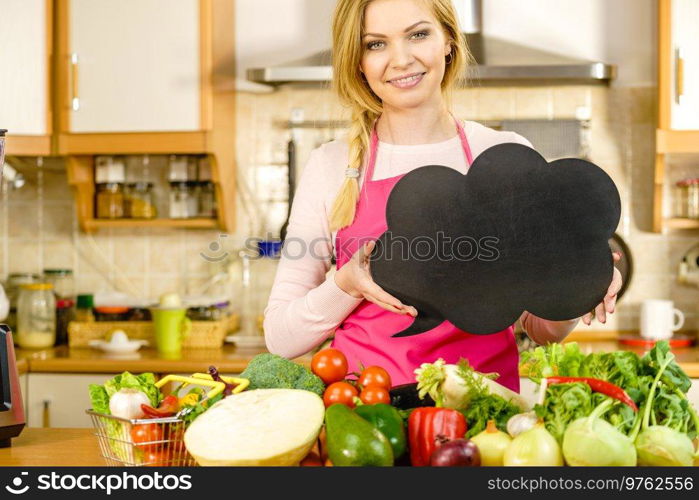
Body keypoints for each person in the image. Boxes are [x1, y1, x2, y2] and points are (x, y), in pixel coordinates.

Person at [263, 0, 622, 391]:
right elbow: (280, 339)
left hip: (486, 416)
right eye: (375, 44)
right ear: (358, 61)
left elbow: (540, 329)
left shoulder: (501, 155)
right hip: (368, 415)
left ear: (449, 40)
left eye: (418, 34)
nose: (400, 59)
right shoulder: (331, 165)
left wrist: (580, 289)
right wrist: (347, 284)